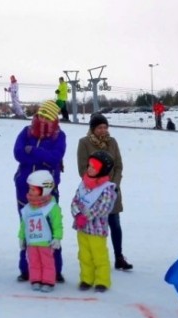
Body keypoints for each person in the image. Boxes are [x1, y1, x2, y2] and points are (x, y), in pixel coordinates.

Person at [14, 100, 67, 282]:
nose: (43, 119)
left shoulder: (59, 136)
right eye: (41, 115)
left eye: (48, 117)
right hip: (25, 188)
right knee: (28, 228)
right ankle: (27, 269)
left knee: (51, 228)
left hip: (47, 189)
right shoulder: (26, 132)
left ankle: (55, 270)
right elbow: (18, 153)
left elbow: (55, 157)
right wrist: (41, 155)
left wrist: (34, 151)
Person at [77, 113, 133, 271]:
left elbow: (119, 166)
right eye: (99, 127)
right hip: (93, 193)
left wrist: (112, 184)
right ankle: (95, 260)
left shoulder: (112, 142)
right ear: (92, 129)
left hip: (112, 191)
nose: (103, 130)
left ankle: (119, 257)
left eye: (105, 127)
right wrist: (97, 185)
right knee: (94, 227)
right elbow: (82, 169)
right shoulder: (84, 143)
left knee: (115, 224)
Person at [72, 151, 118, 292]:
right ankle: (86, 278)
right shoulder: (83, 184)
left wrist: (86, 215)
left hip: (97, 230)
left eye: (94, 167)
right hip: (82, 228)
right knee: (84, 255)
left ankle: (102, 281)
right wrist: (76, 213)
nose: (90, 169)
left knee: (99, 256)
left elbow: (103, 208)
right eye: (89, 165)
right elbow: (75, 201)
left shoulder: (107, 188)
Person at [19, 170, 63, 292]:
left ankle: (48, 281)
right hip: (32, 242)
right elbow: (24, 224)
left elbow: (57, 224)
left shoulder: (51, 207)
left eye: (33, 190)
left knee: (47, 262)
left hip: (45, 243)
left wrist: (57, 237)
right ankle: (36, 279)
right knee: (33, 262)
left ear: (44, 190)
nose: (30, 192)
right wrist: (22, 237)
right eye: (30, 189)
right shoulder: (28, 208)